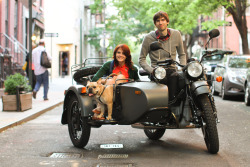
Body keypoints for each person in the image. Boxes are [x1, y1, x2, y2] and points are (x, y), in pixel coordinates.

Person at [139, 11, 186, 100]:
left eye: (163, 20)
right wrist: (151, 70)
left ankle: (176, 103)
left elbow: (182, 54)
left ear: (167, 21)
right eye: (158, 21)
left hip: (172, 69)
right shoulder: (148, 38)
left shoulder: (176, 34)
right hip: (157, 71)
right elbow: (141, 59)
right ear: (155, 24)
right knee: (162, 88)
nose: (160, 22)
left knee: (180, 81)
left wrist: (182, 68)